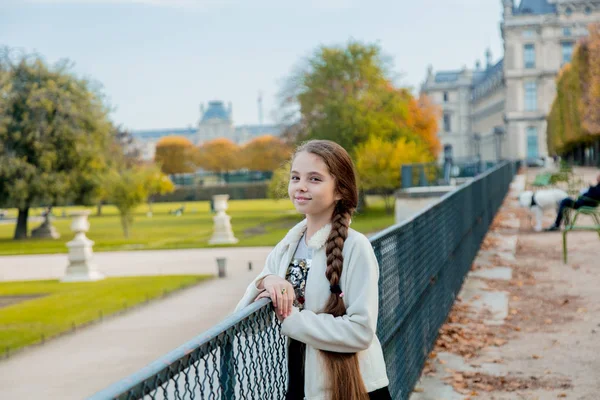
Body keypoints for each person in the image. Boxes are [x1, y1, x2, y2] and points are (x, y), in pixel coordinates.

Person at [235, 140, 390, 400]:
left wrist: (293, 319)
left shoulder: (356, 247)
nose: (301, 186)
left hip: (355, 388)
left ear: (339, 190)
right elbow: (243, 323)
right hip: (299, 383)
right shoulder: (286, 247)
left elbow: (361, 331)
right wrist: (266, 281)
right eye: (295, 177)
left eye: (315, 179)